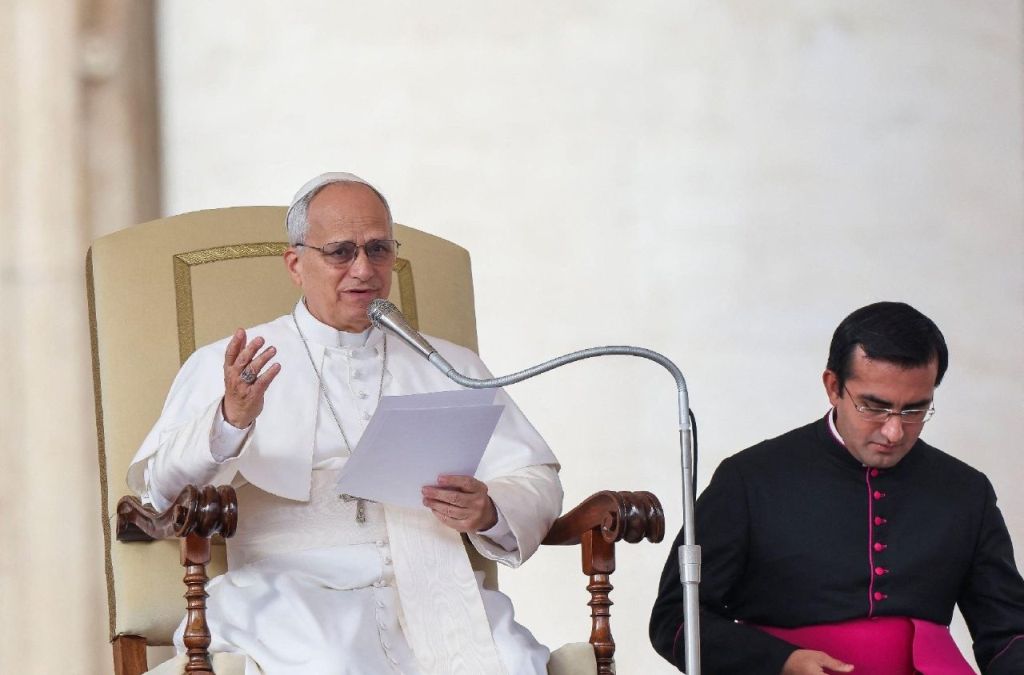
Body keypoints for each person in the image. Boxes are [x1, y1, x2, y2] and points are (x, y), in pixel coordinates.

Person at [128, 172, 563, 675]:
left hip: (431, 587)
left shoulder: (448, 364)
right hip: (288, 590)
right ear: (296, 264)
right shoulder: (230, 364)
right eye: (340, 252)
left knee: (512, 662)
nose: (364, 269)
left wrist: (490, 509)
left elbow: (536, 477)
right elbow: (160, 493)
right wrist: (230, 420)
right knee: (334, 664)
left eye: (379, 250)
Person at [650, 302, 1024, 675]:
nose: (893, 432)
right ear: (833, 387)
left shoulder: (965, 491)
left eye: (914, 410)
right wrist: (781, 662)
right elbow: (675, 620)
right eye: (874, 407)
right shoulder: (749, 479)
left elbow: (1008, 634)